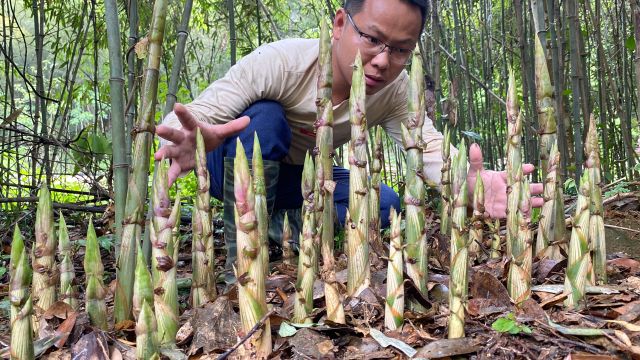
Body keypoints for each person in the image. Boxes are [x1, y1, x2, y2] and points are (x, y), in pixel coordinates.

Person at [155, 0, 543, 278]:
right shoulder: (282, 62)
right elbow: (197, 112)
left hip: (302, 181)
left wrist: (467, 180)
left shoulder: (394, 89)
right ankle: (242, 260)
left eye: (400, 50)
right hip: (236, 168)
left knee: (386, 203)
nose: (381, 60)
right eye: (372, 39)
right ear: (341, 23)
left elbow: (428, 146)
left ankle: (281, 225)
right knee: (267, 121)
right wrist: (193, 138)